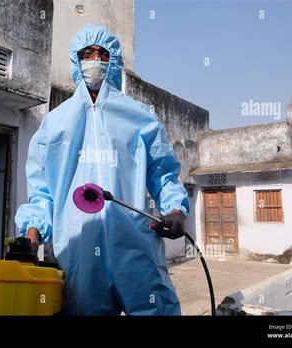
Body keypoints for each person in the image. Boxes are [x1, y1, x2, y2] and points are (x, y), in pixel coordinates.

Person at [15, 23, 189, 315]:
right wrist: (32, 233)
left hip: (136, 246)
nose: (95, 61)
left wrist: (175, 210)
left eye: (102, 54)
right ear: (75, 60)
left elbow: (164, 174)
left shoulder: (140, 117)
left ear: (115, 60)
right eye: (87, 53)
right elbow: (43, 191)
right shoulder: (54, 125)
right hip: (78, 252)